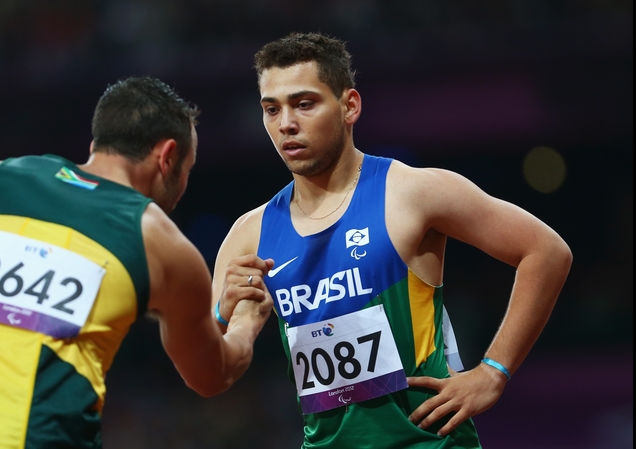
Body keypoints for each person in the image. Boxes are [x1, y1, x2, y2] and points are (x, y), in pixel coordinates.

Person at [0, 76, 273, 449]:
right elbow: (209, 375)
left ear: (96, 145)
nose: (183, 188)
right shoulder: (161, 242)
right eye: (187, 169)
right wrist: (245, 322)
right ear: (167, 156)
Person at [212, 32, 572, 448]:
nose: (286, 123)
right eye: (271, 109)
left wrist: (494, 371)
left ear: (350, 106)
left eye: (304, 103)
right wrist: (221, 315)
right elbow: (212, 374)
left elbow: (545, 251)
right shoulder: (249, 234)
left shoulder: (414, 193)